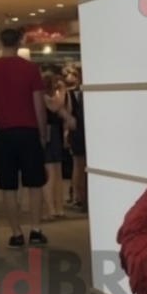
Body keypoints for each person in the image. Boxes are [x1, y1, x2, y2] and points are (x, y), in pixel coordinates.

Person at [0, 28, 49, 248]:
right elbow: (38, 104)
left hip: (2, 132)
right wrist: (43, 134)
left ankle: (16, 234)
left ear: (0, 42)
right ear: (20, 42)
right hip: (28, 131)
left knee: (8, 185)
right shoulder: (30, 69)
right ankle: (36, 230)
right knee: (35, 183)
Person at [41, 74, 74, 220]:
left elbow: (63, 112)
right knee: (50, 173)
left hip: (55, 134)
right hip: (48, 134)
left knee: (57, 173)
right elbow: (55, 107)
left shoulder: (50, 97)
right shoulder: (44, 97)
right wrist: (62, 92)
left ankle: (58, 208)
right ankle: (52, 209)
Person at [67, 67, 87, 212]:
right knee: (80, 165)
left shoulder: (71, 93)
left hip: (77, 131)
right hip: (80, 132)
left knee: (78, 165)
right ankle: (79, 196)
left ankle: (78, 196)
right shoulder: (75, 93)